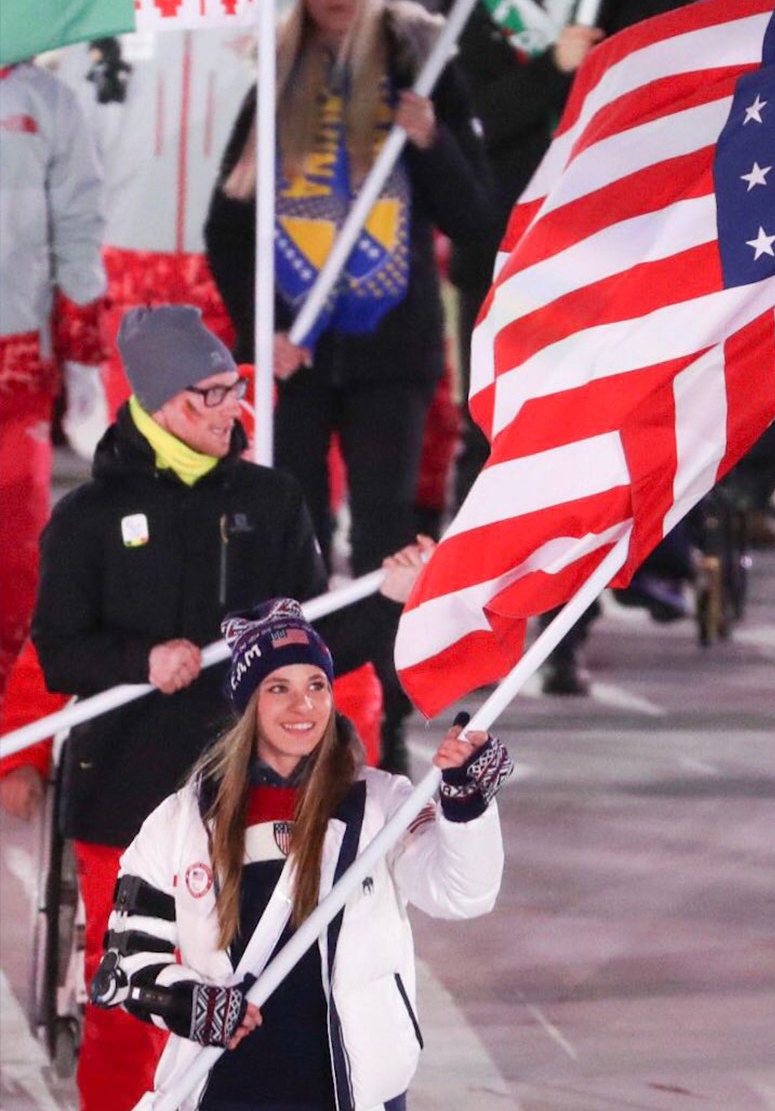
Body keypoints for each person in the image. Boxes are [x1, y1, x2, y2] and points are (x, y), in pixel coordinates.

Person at [19, 303, 424, 1111]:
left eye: (235, 388)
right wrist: (140, 659)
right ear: (164, 400)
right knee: (130, 999)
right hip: (126, 798)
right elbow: (59, 649)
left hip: (252, 796)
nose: (234, 407)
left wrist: (390, 599)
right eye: (213, 393)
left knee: (258, 996)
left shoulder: (271, 501)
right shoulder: (88, 518)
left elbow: (315, 643)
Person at [206, 0, 493, 738]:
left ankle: (384, 713)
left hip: (391, 356)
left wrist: (431, 141)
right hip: (298, 355)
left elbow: (477, 219)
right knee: (288, 537)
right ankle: (286, 714)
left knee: (383, 539)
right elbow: (226, 227)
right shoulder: (278, 78)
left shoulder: (425, 69)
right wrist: (264, 333)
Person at [90, 598, 509, 1111]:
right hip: (226, 1091)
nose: (304, 706)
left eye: (316, 686)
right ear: (247, 705)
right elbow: (124, 965)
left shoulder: (381, 805)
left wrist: (467, 807)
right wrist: (186, 1003)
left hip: (352, 1093)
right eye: (278, 688)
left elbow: (462, 894)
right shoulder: (180, 823)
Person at [450, 0, 692, 694]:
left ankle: (563, 630)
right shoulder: (467, 5)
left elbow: (686, 29)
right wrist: (553, 69)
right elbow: (472, 127)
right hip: (499, 264)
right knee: (490, 440)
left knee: (580, 440)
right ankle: (479, 615)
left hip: (590, 254)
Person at [0, 59, 107, 706]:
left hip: (14, 361)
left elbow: (78, 231)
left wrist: (82, 358)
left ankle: (16, 736)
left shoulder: (48, 100)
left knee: (16, 554)